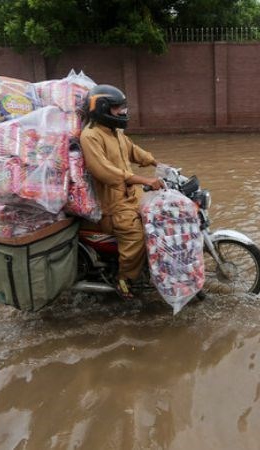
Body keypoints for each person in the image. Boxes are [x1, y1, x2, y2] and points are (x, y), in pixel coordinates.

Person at [79, 84, 163, 299]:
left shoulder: (115, 132)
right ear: (103, 108)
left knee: (159, 216)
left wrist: (156, 162)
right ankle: (124, 281)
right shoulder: (90, 136)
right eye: (117, 108)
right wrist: (145, 180)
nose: (123, 112)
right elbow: (106, 173)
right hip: (112, 206)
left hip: (131, 196)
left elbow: (133, 150)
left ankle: (150, 269)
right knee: (135, 236)